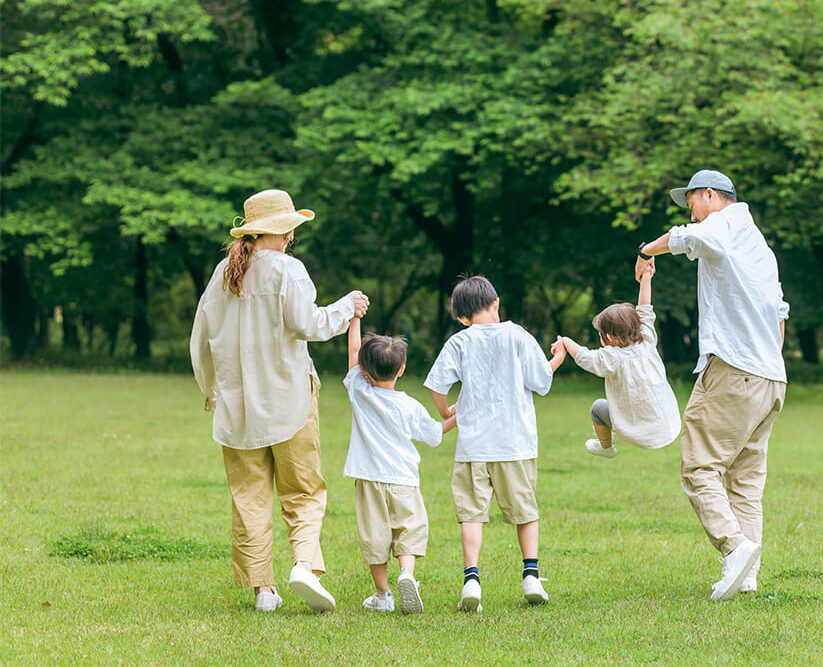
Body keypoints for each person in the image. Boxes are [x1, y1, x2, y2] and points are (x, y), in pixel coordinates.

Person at [190, 188, 369, 613]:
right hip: (290, 402)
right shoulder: (289, 270)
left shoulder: (223, 273)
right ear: (285, 229)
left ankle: (263, 591)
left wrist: (210, 390)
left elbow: (200, 341)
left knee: (249, 497)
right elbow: (308, 324)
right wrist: (347, 307)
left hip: (236, 410)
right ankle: (303, 566)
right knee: (304, 492)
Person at [636, 170, 789, 601]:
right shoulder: (761, 246)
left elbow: (691, 239)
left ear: (708, 195)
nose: (691, 213)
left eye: (692, 204)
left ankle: (735, 548)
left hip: (733, 371)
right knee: (745, 480)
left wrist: (646, 251)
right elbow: (780, 315)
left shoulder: (724, 223)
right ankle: (749, 573)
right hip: (771, 378)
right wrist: (766, 359)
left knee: (699, 466)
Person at [423, 275, 566, 612]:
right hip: (515, 443)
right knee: (525, 512)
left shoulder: (459, 342)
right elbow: (541, 382)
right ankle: (530, 574)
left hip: (473, 445)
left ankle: (471, 579)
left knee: (471, 514)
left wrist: (446, 411)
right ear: (496, 303)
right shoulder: (518, 335)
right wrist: (558, 356)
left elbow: (437, 386)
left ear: (460, 316)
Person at [344, 315, 457, 615]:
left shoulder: (359, 391)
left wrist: (355, 318)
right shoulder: (409, 406)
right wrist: (455, 417)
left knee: (375, 537)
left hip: (369, 479)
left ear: (364, 370)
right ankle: (407, 573)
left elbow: (354, 352)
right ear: (402, 369)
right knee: (408, 530)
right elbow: (435, 434)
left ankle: (383, 595)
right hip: (404, 480)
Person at [551, 257, 681, 458]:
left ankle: (606, 448)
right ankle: (610, 439)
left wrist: (566, 341)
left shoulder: (612, 358)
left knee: (597, 409)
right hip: (668, 426)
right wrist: (646, 277)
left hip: (638, 431)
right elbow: (645, 308)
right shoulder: (647, 339)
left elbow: (586, 358)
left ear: (609, 337)